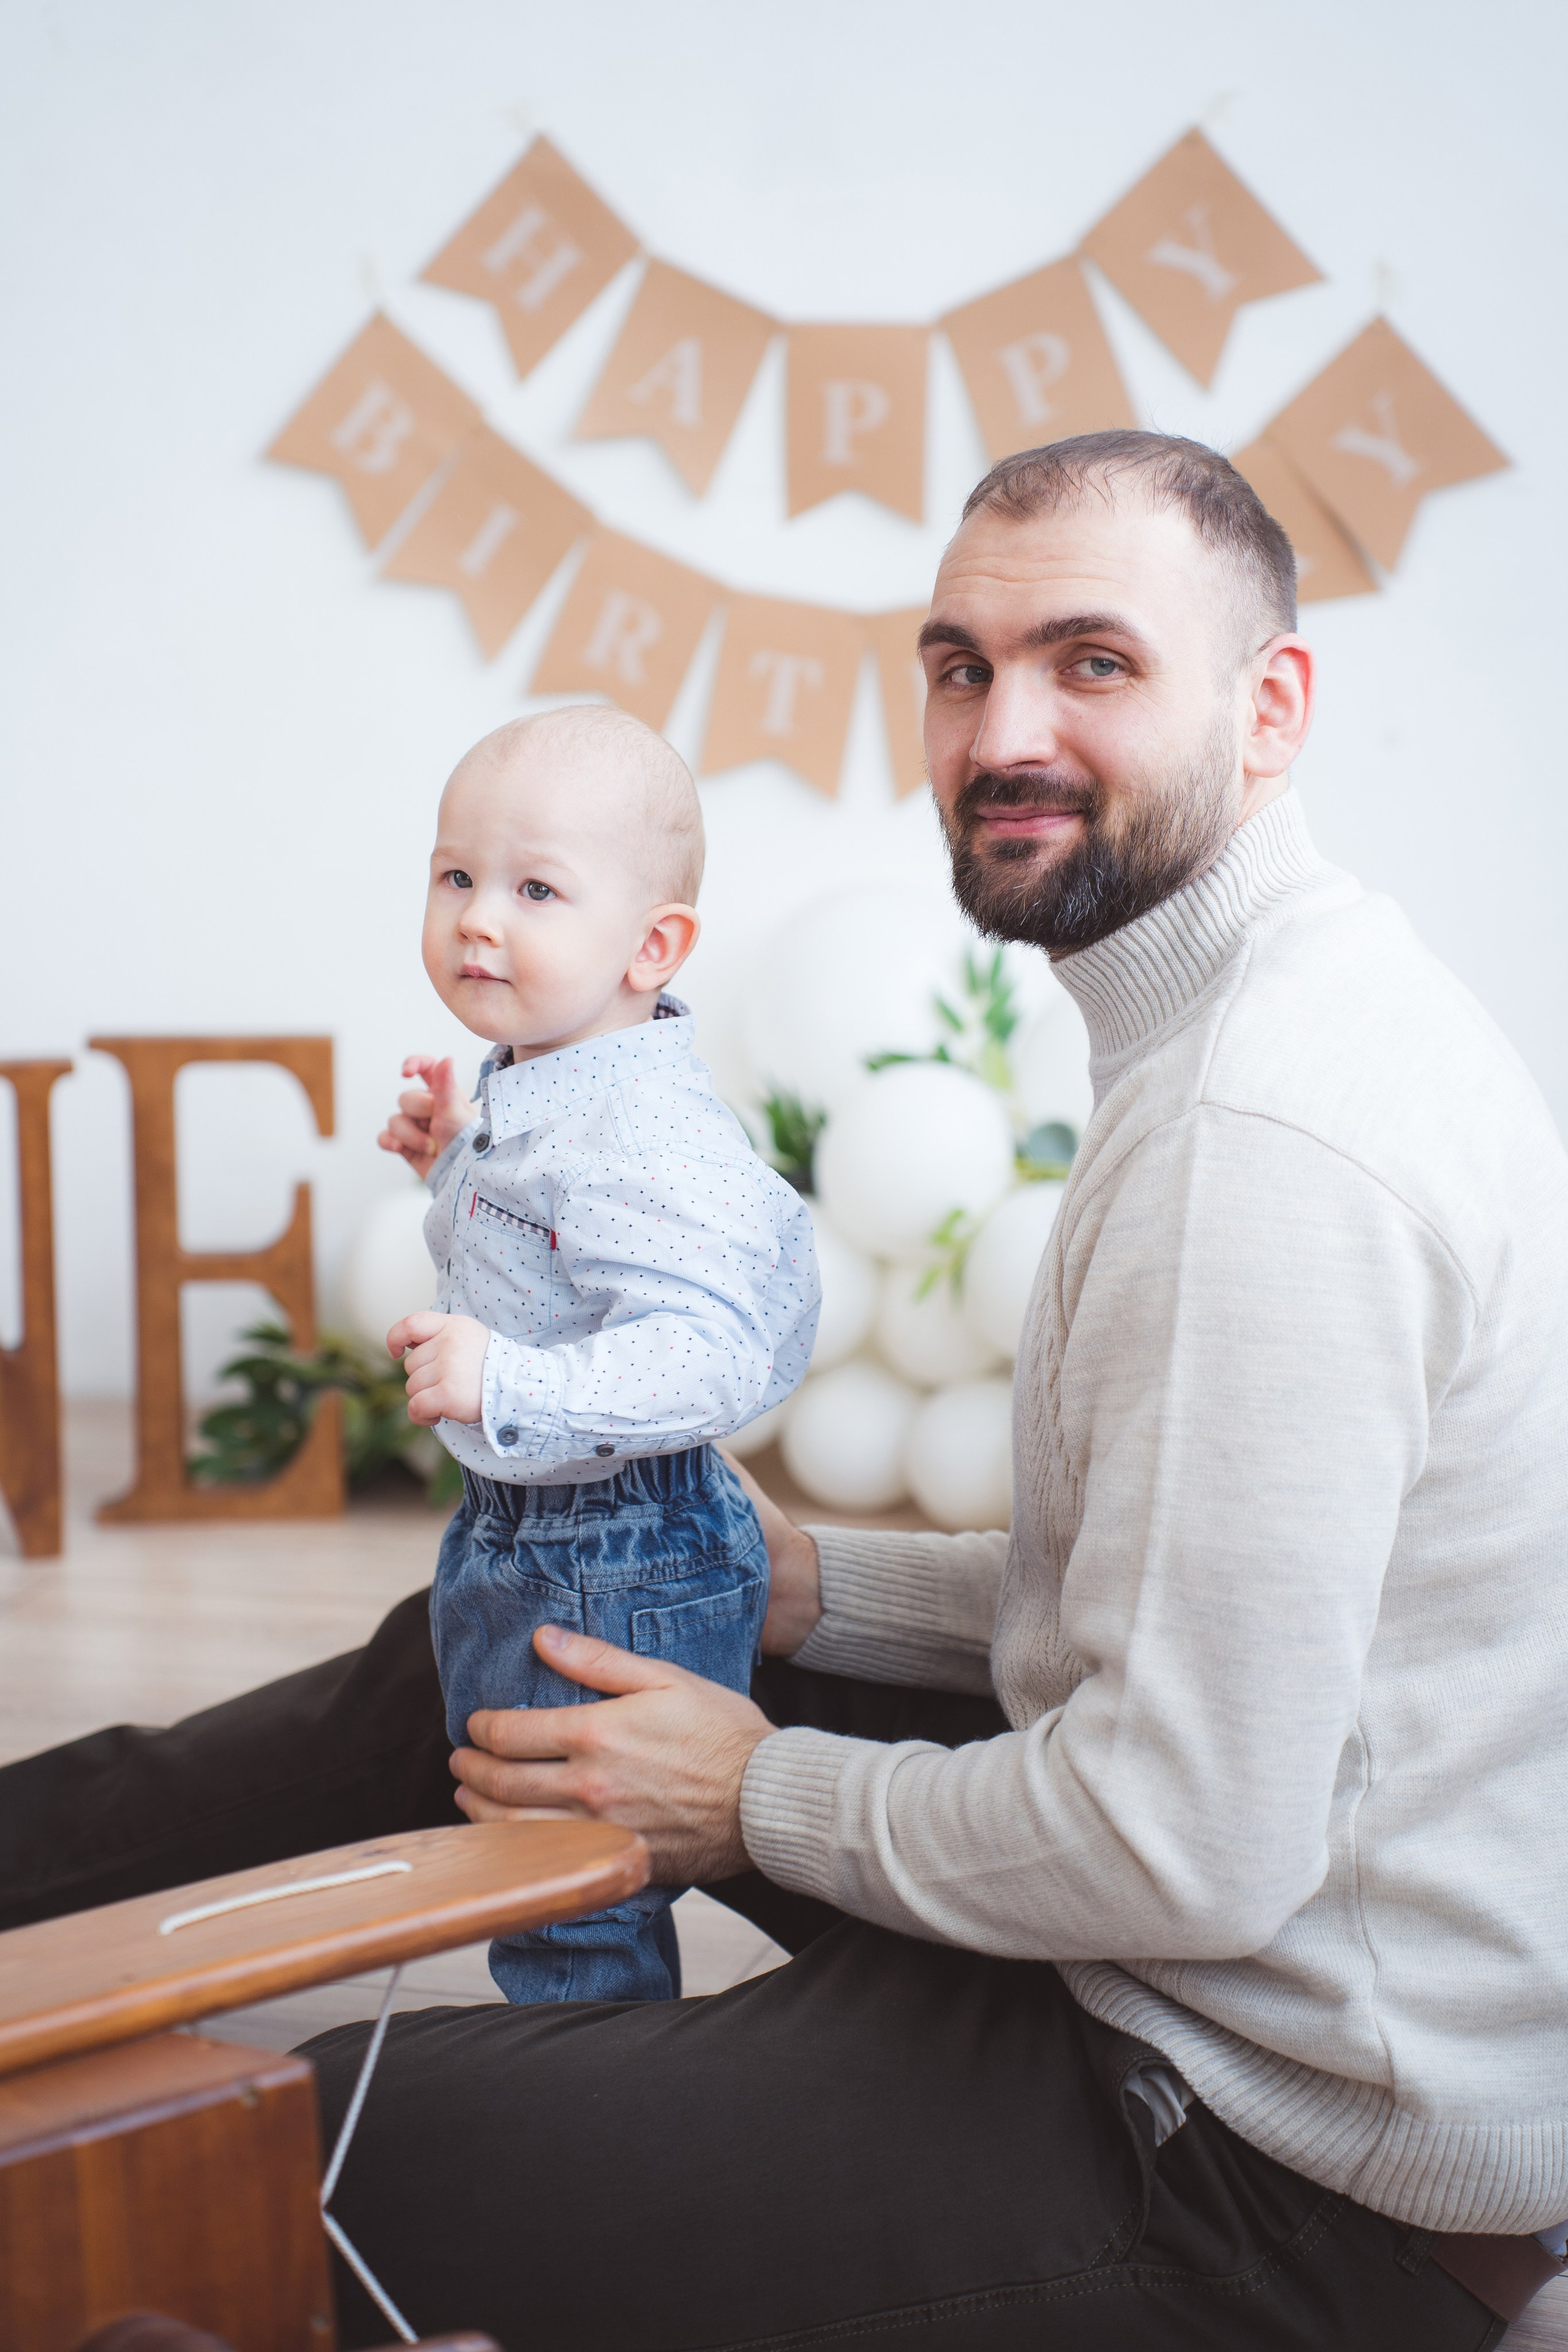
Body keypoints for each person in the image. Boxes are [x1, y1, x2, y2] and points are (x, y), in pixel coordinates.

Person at [6, 431, 1565, 2349]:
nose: (1005, 730)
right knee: (533, 1633)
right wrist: (818, 1589)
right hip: (1177, 1971)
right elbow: (1178, 1611)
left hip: (1273, 2168)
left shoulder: (1270, 1140)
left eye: (1094, 663)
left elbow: (1187, 1836)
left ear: (1272, 708)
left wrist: (754, 1798)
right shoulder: (1241, 1017)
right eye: (960, 665)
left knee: (303, 2142)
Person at [375, 707, 817, 2000]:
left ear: (652, 946)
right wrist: (454, 1158)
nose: (476, 919)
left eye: (535, 889)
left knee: (571, 1894)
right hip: (534, 1530)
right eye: (455, 875)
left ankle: (587, 2099)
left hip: (609, 1548)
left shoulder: (646, 1131)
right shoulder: (552, 1074)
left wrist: (507, 1382)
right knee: (530, 1849)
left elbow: (709, 1356)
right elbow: (554, 1246)